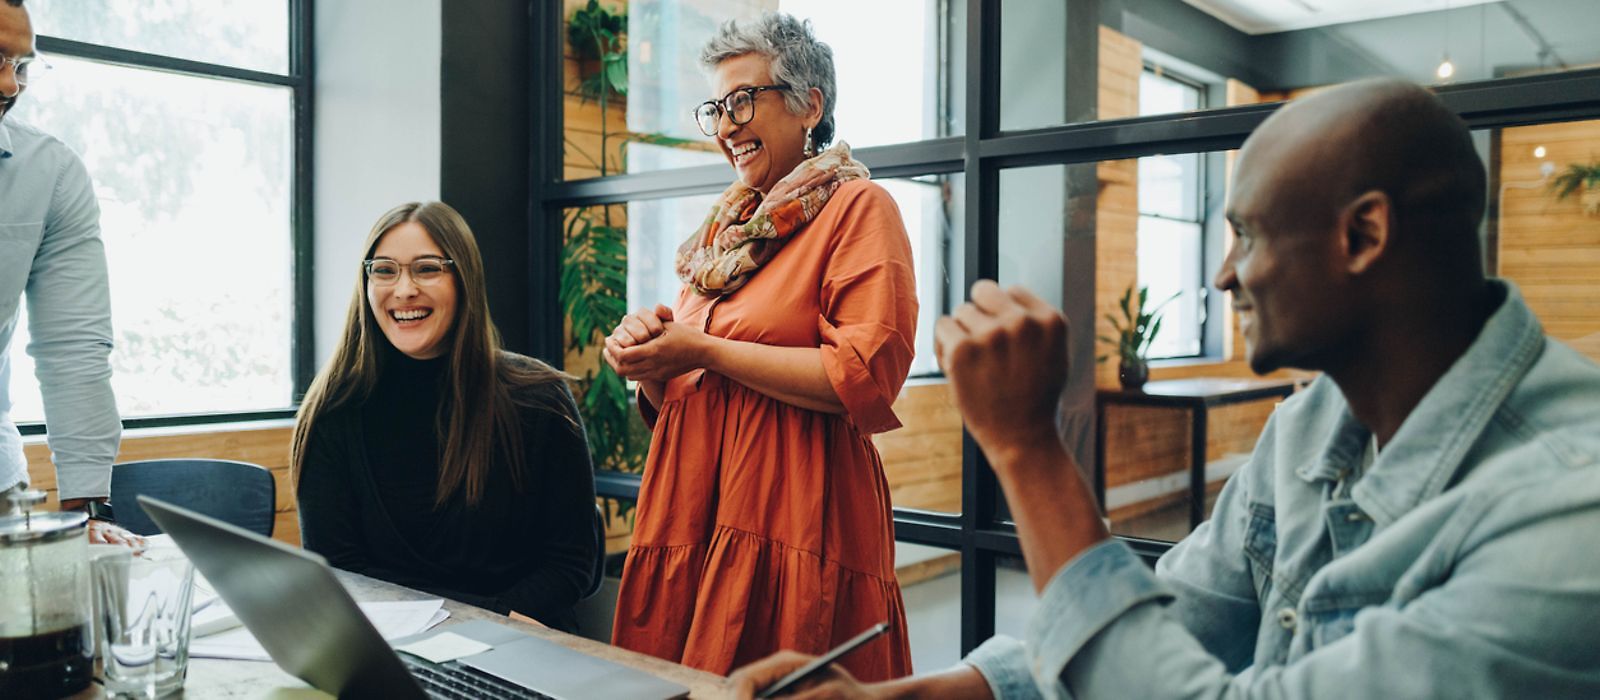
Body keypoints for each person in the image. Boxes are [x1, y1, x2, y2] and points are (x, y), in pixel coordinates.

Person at [729, 78, 1600, 697]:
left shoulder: (1568, 515)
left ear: (1364, 235)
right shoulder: (1313, 427)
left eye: (1247, 235)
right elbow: (1171, 622)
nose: (1224, 277)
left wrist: (1028, 451)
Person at [604, 13, 916, 681]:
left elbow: (862, 377)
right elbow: (685, 395)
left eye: (744, 99)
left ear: (811, 105)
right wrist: (651, 361)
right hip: (692, 513)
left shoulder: (859, 209)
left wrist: (704, 350)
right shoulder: (723, 235)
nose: (724, 125)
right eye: (716, 107)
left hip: (795, 518)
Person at [292, 201, 598, 632]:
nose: (403, 290)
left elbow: (572, 563)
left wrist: (484, 625)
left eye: (427, 268)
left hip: (515, 640)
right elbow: (339, 570)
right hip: (388, 646)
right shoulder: (333, 410)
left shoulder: (539, 397)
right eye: (384, 270)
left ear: (464, 280)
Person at [0, 0, 140, 547]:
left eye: (20, 65)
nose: (10, 87)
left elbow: (73, 347)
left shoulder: (49, 172)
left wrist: (87, 514)